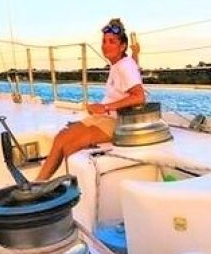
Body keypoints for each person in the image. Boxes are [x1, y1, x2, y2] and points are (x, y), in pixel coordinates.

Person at [35, 18, 144, 180]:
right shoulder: (121, 63)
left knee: (69, 146)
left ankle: (44, 186)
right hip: (104, 117)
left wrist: (105, 107)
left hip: (116, 122)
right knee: (60, 138)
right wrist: (136, 54)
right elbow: (133, 69)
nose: (106, 45)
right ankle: (38, 184)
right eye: (104, 41)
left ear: (122, 47)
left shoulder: (124, 66)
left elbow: (139, 97)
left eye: (112, 41)